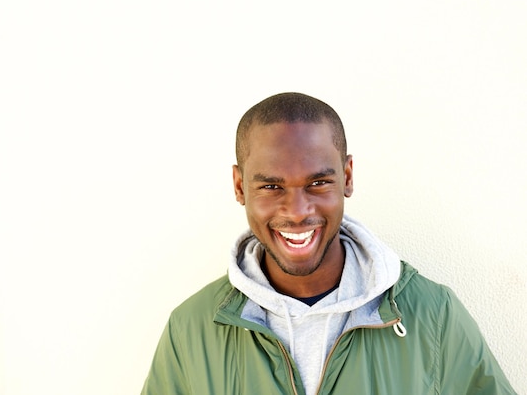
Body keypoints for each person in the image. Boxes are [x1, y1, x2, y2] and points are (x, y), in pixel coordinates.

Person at [141, 92, 516, 395]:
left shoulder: (433, 316)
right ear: (240, 187)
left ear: (347, 177)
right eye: (271, 186)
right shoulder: (191, 329)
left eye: (317, 183)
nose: (298, 211)